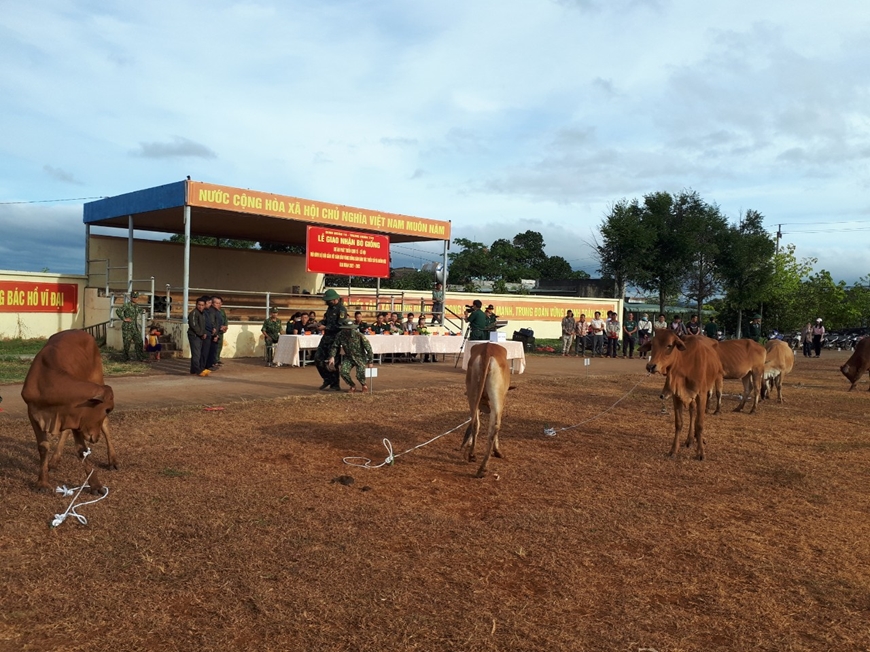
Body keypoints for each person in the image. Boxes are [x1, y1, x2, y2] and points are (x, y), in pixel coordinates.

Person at [328, 318, 374, 393]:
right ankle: (352, 385)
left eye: (350, 329)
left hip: (360, 357)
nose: (348, 330)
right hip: (348, 357)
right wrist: (332, 356)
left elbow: (368, 348)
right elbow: (335, 346)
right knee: (343, 372)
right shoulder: (340, 335)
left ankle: (364, 385)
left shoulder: (359, 335)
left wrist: (370, 361)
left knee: (360, 375)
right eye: (346, 329)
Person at [314, 288, 348, 390]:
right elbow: (326, 320)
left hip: (335, 339)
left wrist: (326, 327)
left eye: (328, 300)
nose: (327, 302)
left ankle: (335, 384)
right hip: (326, 337)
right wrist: (320, 323)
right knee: (318, 359)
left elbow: (340, 326)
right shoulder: (329, 309)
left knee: (333, 362)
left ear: (334, 300)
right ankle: (327, 379)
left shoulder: (341, 310)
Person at [116, 293, 146, 361]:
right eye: (134, 297)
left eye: (136, 298)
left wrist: (143, 311)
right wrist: (124, 318)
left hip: (135, 327)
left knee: (139, 341)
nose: (135, 299)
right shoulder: (127, 305)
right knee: (127, 343)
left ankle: (140, 357)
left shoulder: (136, 306)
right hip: (127, 328)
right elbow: (118, 311)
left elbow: (140, 310)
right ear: (131, 298)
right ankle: (125, 358)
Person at [187, 297, 210, 376]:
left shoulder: (202, 313)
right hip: (194, 335)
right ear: (196, 305)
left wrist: (204, 333)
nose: (200, 306)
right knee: (196, 353)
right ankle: (198, 370)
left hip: (199, 335)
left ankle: (193, 370)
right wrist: (201, 333)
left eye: (202, 305)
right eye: (199, 305)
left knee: (198, 353)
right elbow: (194, 325)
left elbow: (203, 326)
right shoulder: (194, 313)